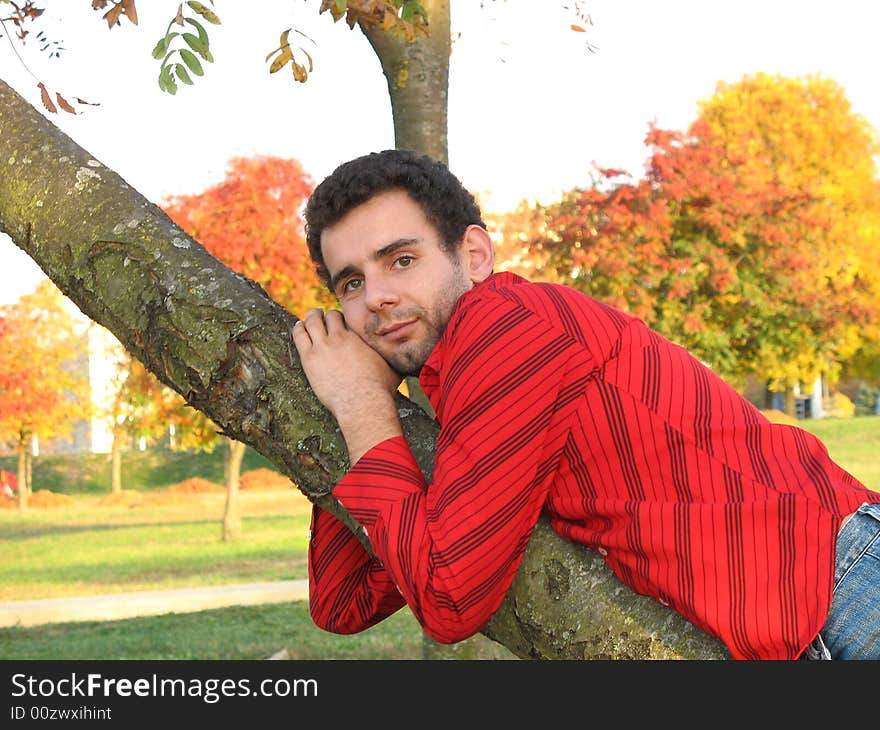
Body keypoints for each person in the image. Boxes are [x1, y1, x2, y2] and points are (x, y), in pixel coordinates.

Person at [291, 149, 880, 660]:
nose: (378, 298)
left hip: (846, 590)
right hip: (816, 611)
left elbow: (448, 600)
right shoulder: (463, 397)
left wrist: (363, 403)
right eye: (351, 284)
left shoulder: (505, 328)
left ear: (473, 255)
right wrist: (353, 400)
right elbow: (344, 601)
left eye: (402, 260)